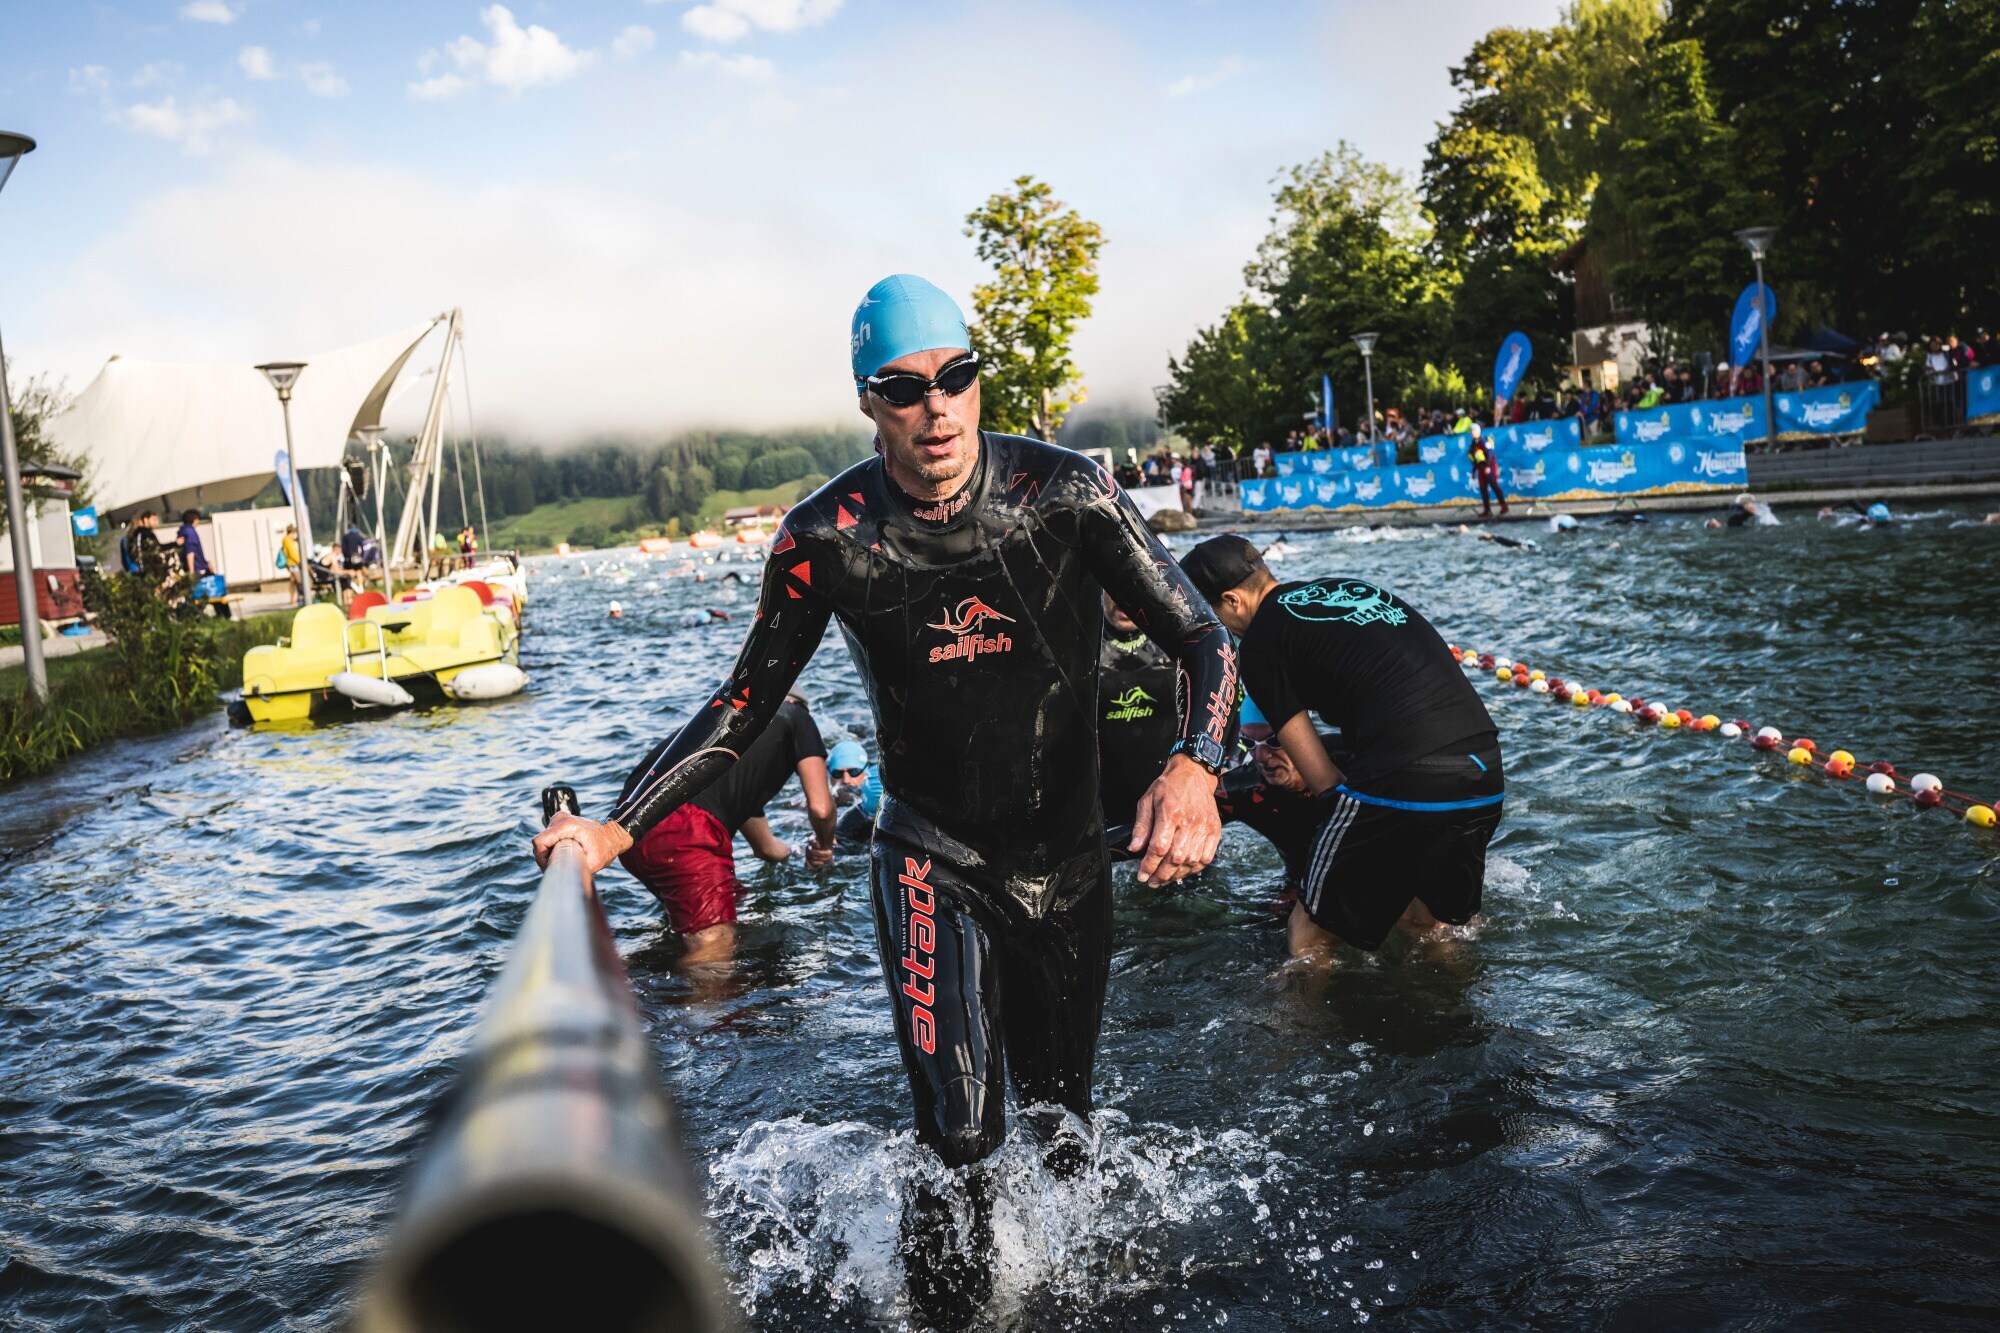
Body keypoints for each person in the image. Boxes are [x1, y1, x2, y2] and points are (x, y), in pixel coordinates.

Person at [531, 273, 1236, 1313]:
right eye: (903, 389)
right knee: (957, 1131)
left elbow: (1202, 636)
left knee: (1060, 1127)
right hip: (928, 855)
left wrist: (1196, 766)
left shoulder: (1066, 495)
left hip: (1065, 863)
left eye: (955, 378)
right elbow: (741, 704)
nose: (935, 406)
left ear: (977, 381)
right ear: (868, 403)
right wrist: (613, 829)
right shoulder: (828, 539)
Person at [1178, 536, 1503, 963]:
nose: (1215, 631)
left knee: (1308, 931)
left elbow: (1323, 779)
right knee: (1432, 926)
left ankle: (1302, 1030)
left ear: (1232, 600)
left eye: (1210, 615)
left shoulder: (1259, 644)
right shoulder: (1348, 589)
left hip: (1405, 773)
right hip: (1485, 769)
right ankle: (1455, 1019)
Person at [616, 692, 836, 963]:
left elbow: (766, 848)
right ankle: (689, 1003)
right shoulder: (796, 717)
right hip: (684, 830)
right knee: (715, 949)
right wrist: (825, 847)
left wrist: (799, 852)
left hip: (627, 829)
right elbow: (821, 809)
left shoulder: (723, 733)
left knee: (736, 899)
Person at [1097, 592, 1181, 829]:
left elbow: (1229, 701)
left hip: (1169, 804)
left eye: (1134, 588)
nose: (1125, 598)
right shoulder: (1081, 642)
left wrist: (1222, 762)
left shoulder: (1179, 641)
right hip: (1103, 807)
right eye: (1114, 590)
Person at [1468, 423, 1507, 517]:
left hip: (1489, 466)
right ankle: (1487, 510)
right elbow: (1474, 458)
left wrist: (1488, 466)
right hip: (1480, 467)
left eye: (1473, 431)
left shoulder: (1484, 440)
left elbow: (1490, 453)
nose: (1472, 433)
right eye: (1471, 431)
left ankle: (1504, 506)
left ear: (1478, 431)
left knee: (1494, 486)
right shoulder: (1473, 443)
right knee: (1483, 488)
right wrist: (1474, 471)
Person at [176, 510, 210, 577]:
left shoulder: (183, 530)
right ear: (194, 520)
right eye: (198, 519)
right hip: (197, 569)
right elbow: (190, 552)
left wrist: (206, 562)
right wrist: (191, 572)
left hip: (189, 568)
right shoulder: (190, 532)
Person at [280, 523, 304, 604]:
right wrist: (300, 561)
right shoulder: (287, 540)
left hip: (292, 563)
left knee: (293, 581)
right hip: (292, 563)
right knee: (297, 581)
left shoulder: (288, 540)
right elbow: (292, 553)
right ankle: (295, 598)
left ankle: (294, 599)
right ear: (293, 532)